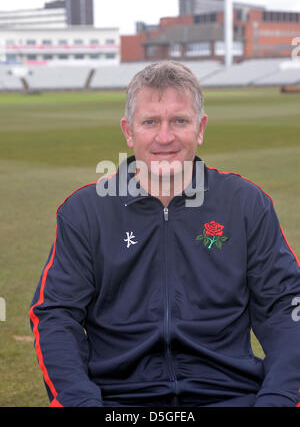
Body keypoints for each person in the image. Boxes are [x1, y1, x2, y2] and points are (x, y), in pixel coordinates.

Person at [30, 61, 300, 408]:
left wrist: (278, 398)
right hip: (117, 401)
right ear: (129, 131)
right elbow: (56, 315)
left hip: (231, 395)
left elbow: (285, 306)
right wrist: (80, 401)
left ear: (200, 128)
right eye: (150, 122)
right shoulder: (84, 211)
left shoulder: (246, 203)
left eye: (180, 121)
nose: (165, 137)